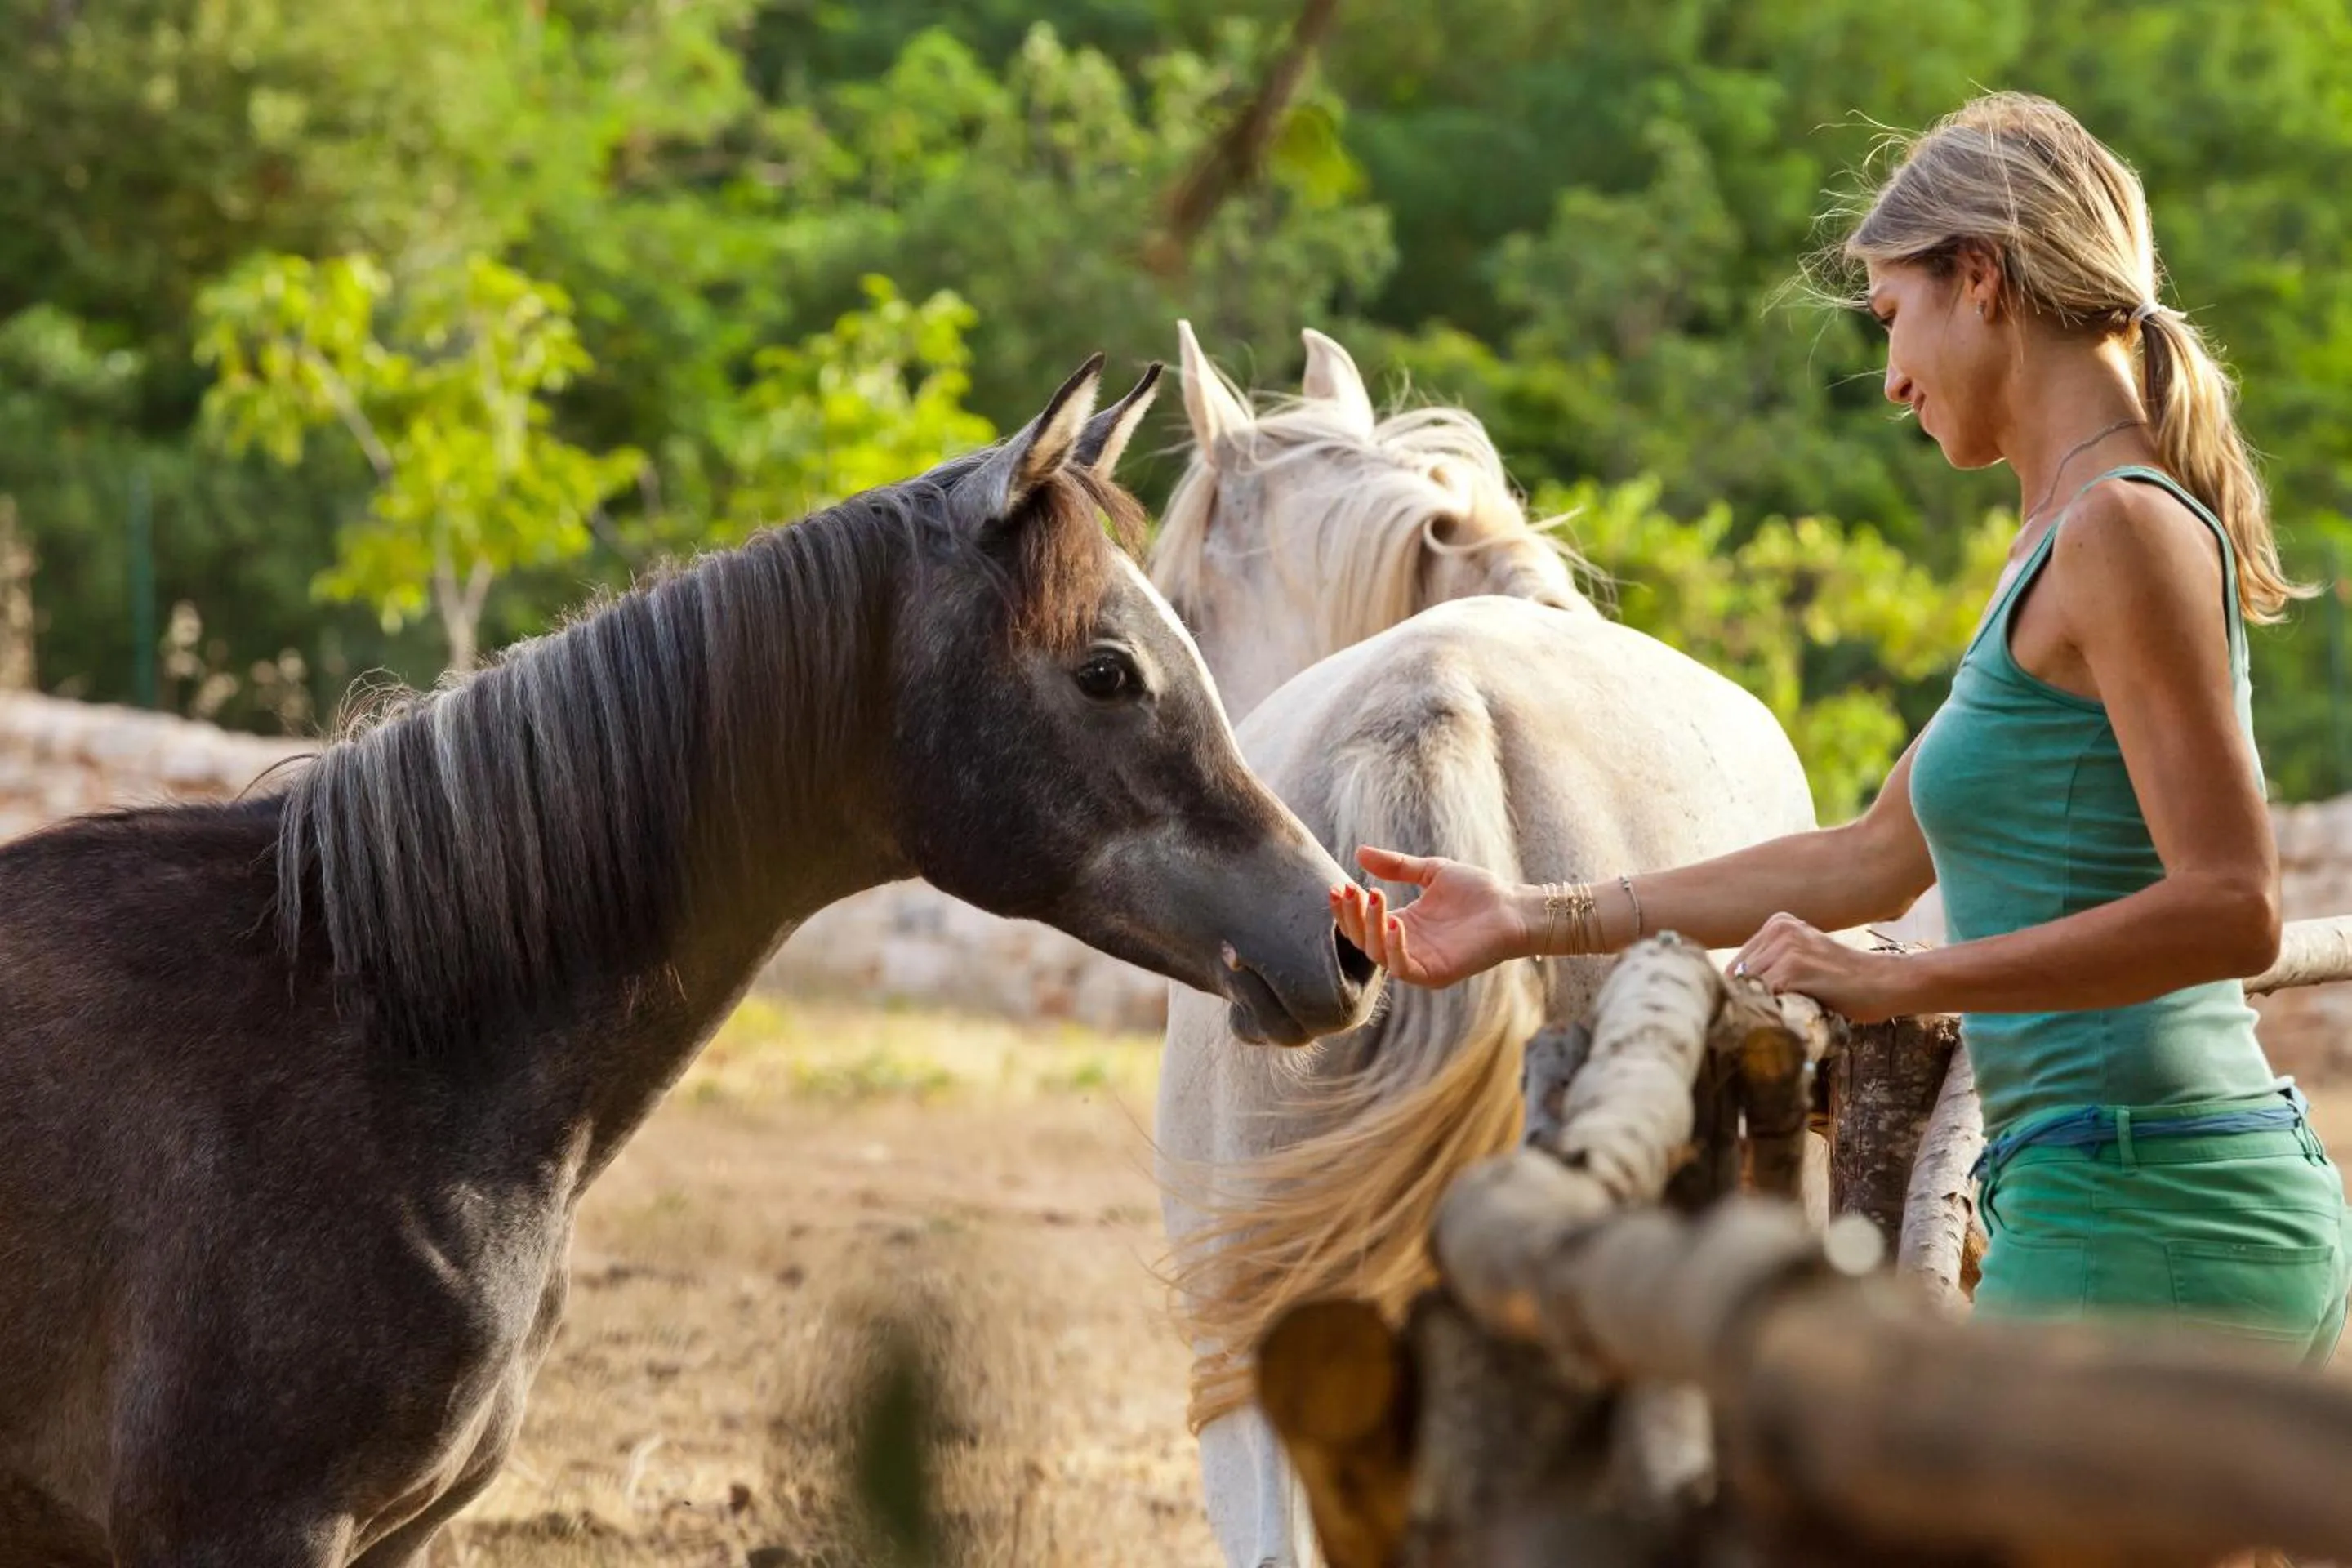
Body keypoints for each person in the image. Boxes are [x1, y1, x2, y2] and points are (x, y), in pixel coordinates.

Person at [1330, 91, 2351, 1362]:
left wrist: (1901, 980)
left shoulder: (2124, 530)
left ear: (1979, 276)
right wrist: (1526, 915)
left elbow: (2233, 907)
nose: (1890, 378)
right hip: (2117, 1200)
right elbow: (1865, 858)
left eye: (1890, 317)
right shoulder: (2058, 542)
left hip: (2150, 1214)